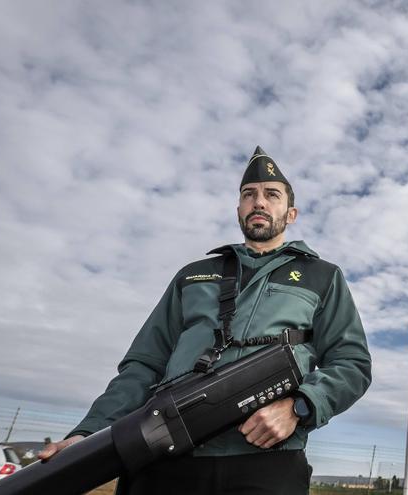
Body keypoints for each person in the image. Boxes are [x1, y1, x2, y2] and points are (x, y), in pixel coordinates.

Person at [39, 146, 372, 494]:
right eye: (248, 195)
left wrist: (299, 407)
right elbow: (143, 366)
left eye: (271, 195)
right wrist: (89, 433)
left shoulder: (322, 276)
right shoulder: (194, 275)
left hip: (267, 459)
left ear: (290, 214)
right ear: (239, 210)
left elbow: (352, 363)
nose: (258, 202)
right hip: (167, 455)